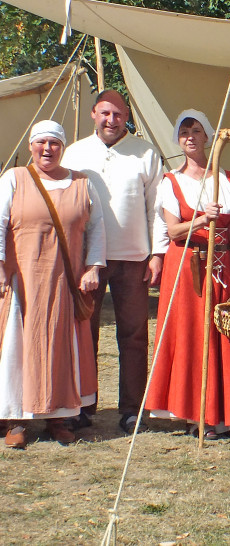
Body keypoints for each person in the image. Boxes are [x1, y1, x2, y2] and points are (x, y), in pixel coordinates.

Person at [144, 110, 230, 438]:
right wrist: (201, 219)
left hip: (222, 267)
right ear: (178, 139)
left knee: (226, 337)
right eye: (184, 131)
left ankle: (229, 413)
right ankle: (195, 414)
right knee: (191, 337)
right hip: (186, 269)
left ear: (206, 136)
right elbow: (173, 231)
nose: (190, 136)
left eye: (196, 130)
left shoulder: (226, 180)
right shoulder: (171, 181)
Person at [62, 89, 164, 434]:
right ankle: (82, 405)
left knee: (134, 333)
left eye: (118, 114)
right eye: (105, 113)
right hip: (87, 258)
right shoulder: (75, 153)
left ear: (126, 117)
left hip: (133, 256)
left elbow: (156, 210)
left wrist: (155, 254)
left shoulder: (145, 153)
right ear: (94, 114)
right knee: (84, 332)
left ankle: (132, 407)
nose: (111, 120)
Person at [0, 120, 105, 448]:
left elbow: (98, 228)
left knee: (62, 347)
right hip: (23, 284)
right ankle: (15, 419)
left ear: (63, 147)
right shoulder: (15, 179)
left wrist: (94, 267)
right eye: (41, 142)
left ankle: (59, 417)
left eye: (54, 143)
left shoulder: (83, 183)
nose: (47, 149)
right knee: (19, 348)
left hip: (66, 283)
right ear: (31, 146)